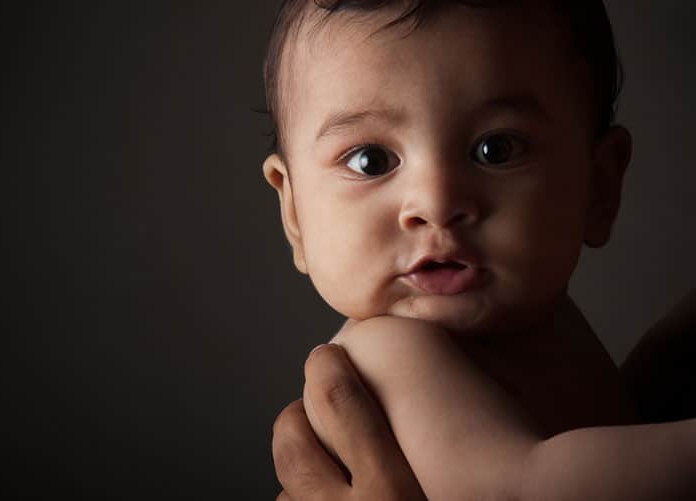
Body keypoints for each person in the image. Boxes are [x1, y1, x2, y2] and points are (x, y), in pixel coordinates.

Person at [260, 0, 696, 498]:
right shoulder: (388, 352)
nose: (436, 204)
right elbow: (526, 487)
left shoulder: (539, 324)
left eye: (496, 150)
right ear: (294, 213)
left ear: (599, 187)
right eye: (371, 160)